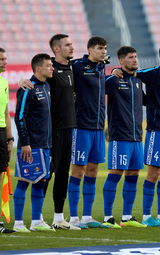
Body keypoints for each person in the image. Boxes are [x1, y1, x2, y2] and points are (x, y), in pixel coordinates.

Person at [113, 43, 160, 227]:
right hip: (156, 131)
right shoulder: (154, 73)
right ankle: (145, 216)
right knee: (154, 173)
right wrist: (115, 71)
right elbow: (131, 74)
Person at [19, 34, 79, 230]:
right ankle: (37, 218)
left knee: (63, 174)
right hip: (51, 132)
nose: (72, 47)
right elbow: (33, 79)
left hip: (69, 128)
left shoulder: (73, 67)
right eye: (67, 45)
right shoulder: (48, 69)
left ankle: (59, 218)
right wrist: (22, 80)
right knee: (45, 175)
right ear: (56, 49)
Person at [68, 36, 108, 228]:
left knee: (93, 171)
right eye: (100, 48)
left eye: (105, 48)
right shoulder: (75, 66)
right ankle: (73, 218)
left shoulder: (101, 68)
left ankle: (87, 217)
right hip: (81, 126)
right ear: (90, 49)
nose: (104, 52)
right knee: (78, 170)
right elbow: (50, 69)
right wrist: (25, 79)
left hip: (99, 127)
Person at [103, 46, 146, 228]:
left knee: (133, 175)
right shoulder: (113, 80)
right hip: (120, 136)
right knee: (115, 174)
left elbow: (147, 101)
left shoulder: (137, 81)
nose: (135, 60)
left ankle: (127, 217)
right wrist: (111, 73)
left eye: (136, 56)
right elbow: (96, 88)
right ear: (121, 61)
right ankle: (107, 217)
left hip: (137, 137)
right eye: (131, 57)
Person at [13, 53, 55, 232]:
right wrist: (25, 142)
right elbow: (20, 117)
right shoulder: (27, 89)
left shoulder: (46, 86)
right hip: (31, 145)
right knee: (24, 181)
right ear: (38, 68)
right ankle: (18, 223)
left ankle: (36, 221)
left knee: (41, 182)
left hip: (45, 144)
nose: (52, 68)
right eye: (48, 65)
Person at [0, 48, 15, 234]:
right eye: (1, 59)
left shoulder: (4, 82)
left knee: (1, 178)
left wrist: (10, 138)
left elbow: (6, 113)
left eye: (5, 58)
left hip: (2, 132)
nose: (5, 62)